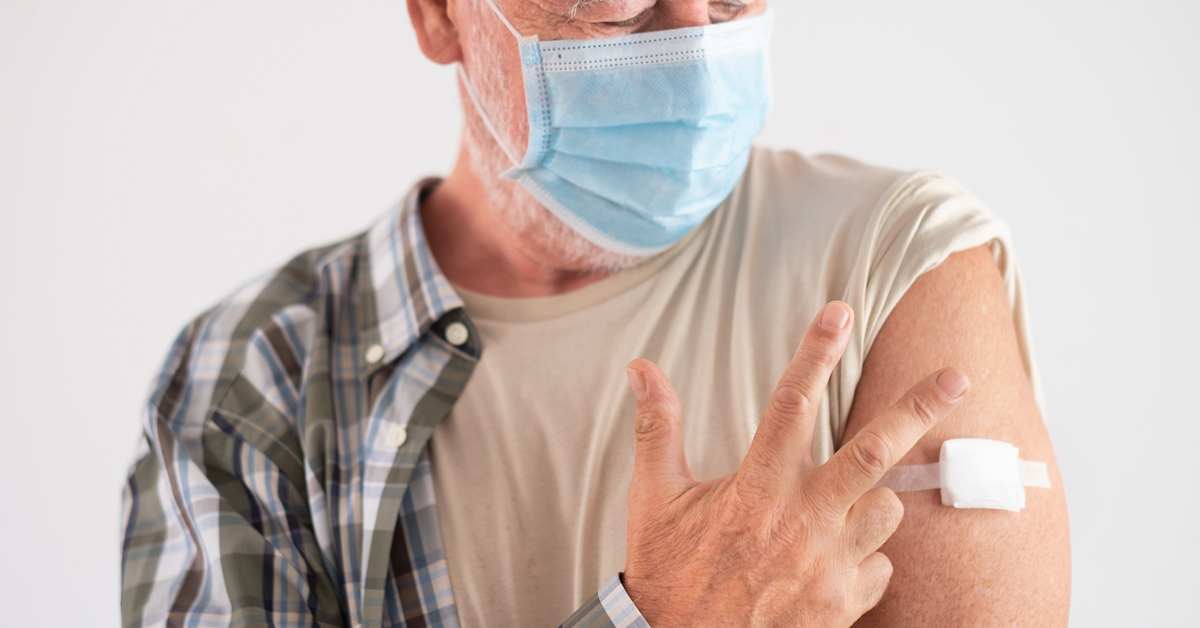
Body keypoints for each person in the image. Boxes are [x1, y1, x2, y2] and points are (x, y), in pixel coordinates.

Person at [119, 0, 1071, 626]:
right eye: (618, 8)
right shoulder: (248, 380)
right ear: (439, 15)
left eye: (732, 2)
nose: (694, 41)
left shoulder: (897, 258)